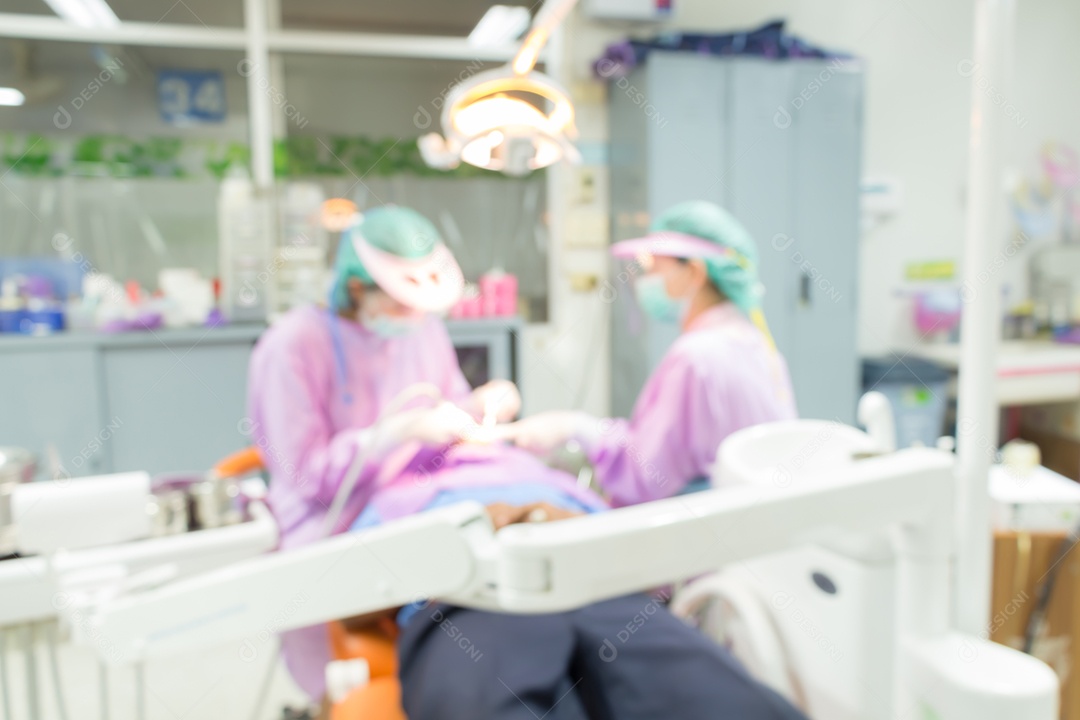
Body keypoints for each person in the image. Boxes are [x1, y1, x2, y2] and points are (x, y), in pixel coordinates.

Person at [247, 205, 573, 698]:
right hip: (339, 513)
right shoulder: (293, 345)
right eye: (402, 303)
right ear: (358, 289)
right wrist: (396, 432)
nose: (416, 318)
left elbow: (446, 406)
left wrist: (480, 404)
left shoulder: (422, 327)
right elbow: (306, 474)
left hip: (440, 482)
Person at [504, 200, 797, 506]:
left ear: (694, 272)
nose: (644, 280)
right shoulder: (757, 345)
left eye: (653, 267)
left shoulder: (696, 358)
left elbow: (646, 476)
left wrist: (576, 428)